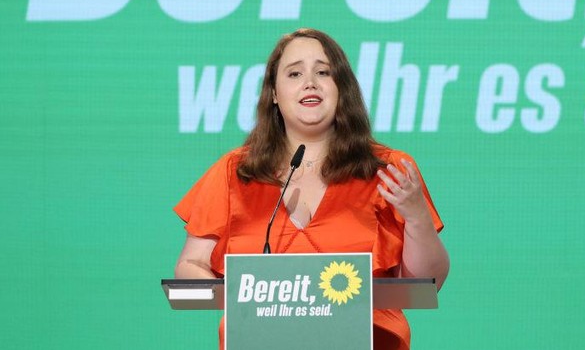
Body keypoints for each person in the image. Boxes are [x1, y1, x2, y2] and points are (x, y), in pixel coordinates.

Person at [174, 28, 449, 349]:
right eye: (294, 73)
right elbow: (189, 265)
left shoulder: (387, 168)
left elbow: (428, 281)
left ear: (342, 88)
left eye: (323, 72)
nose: (310, 82)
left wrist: (417, 217)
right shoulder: (235, 171)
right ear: (274, 92)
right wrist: (235, 301)